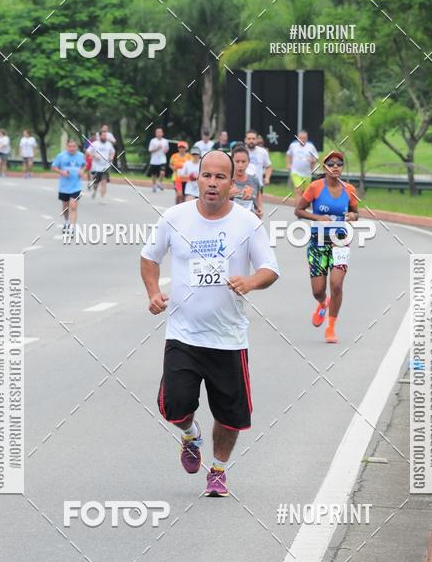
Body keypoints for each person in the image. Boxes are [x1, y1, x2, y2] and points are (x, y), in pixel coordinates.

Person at [140, 150, 279, 497]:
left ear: (232, 184)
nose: (212, 183)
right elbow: (149, 258)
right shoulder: (175, 217)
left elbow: (270, 268)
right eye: (207, 176)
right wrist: (154, 293)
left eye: (220, 177)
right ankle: (190, 435)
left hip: (228, 338)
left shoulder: (247, 224)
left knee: (231, 417)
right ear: (197, 179)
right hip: (183, 334)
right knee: (175, 407)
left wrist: (250, 282)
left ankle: (217, 470)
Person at [294, 150, 359, 344]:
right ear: (325, 167)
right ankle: (323, 303)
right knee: (318, 290)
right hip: (318, 242)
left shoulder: (349, 189)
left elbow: (356, 213)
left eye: (339, 164)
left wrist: (353, 216)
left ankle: (331, 327)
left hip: (340, 241)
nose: (335, 167)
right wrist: (317, 217)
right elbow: (298, 210)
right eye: (331, 164)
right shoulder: (315, 187)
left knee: (337, 284)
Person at [51, 138, 86, 234]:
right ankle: (66, 222)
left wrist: (82, 171)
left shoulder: (81, 156)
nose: (72, 148)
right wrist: (62, 172)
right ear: (67, 147)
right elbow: (53, 167)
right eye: (70, 146)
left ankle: (72, 227)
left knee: (73, 206)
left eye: (74, 146)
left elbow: (84, 165)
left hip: (76, 186)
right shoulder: (61, 156)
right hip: (64, 187)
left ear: (76, 147)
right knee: (65, 207)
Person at [286, 129, 319, 202]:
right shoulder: (293, 146)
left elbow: (316, 158)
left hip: (307, 173)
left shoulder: (310, 147)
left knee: (305, 192)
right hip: (295, 172)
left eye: (304, 138)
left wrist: (312, 160)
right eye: (301, 138)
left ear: (307, 138)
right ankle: (298, 206)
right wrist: (288, 164)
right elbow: (288, 154)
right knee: (298, 189)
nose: (302, 140)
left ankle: (302, 205)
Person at [244, 130, 272, 216]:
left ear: (257, 140)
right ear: (245, 140)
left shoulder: (262, 152)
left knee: (258, 210)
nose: (251, 141)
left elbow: (268, 166)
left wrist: (267, 178)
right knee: (244, 209)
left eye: (253, 139)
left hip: (257, 185)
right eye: (249, 138)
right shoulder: (241, 151)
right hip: (243, 184)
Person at [230, 143, 261, 217]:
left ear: (248, 162)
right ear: (232, 161)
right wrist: (228, 196)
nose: (240, 165)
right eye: (237, 161)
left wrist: (259, 210)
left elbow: (258, 205)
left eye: (243, 161)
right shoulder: (226, 181)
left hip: (250, 221)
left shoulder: (255, 181)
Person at [87, 126, 115, 203]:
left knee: (104, 182)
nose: (105, 137)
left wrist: (111, 156)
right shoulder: (95, 144)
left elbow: (113, 151)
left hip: (105, 166)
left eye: (106, 136)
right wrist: (94, 156)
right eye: (103, 136)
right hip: (96, 167)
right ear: (99, 136)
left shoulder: (109, 144)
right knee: (95, 184)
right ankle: (95, 191)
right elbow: (88, 152)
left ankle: (102, 198)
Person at [148, 127, 169, 192]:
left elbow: (166, 149)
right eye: (157, 132)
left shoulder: (165, 141)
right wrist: (157, 148)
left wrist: (166, 150)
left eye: (160, 132)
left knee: (162, 172)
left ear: (162, 133)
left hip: (162, 159)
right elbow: (150, 150)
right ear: (155, 133)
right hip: (154, 160)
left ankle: (159, 182)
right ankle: (154, 185)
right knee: (154, 174)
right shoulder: (153, 141)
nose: (159, 133)